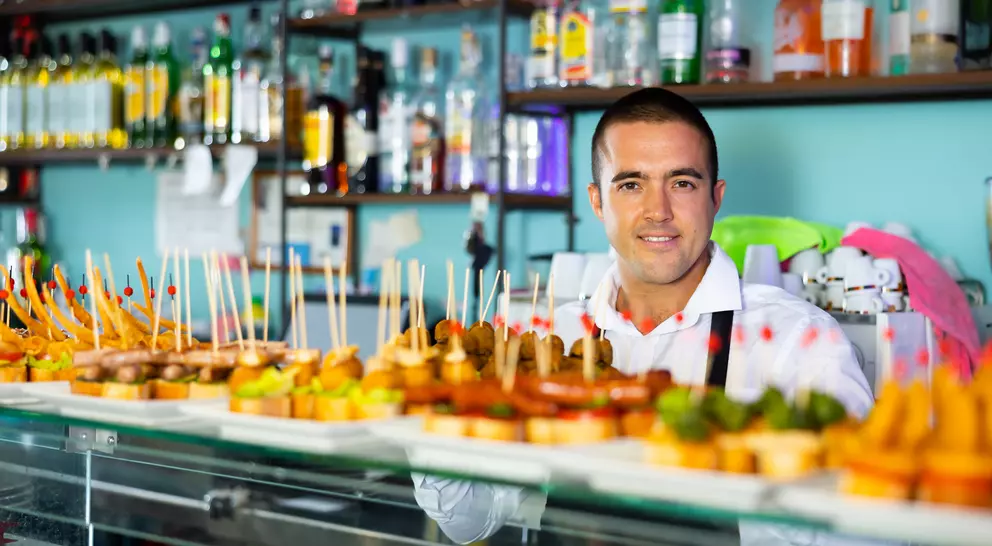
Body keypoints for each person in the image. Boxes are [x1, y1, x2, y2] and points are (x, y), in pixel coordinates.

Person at [412, 87, 877, 545]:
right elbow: (468, 521)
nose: (659, 211)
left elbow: (867, 531)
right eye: (631, 184)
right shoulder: (548, 338)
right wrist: (431, 412)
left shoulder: (801, 342)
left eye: (682, 182)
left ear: (715, 198)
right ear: (597, 201)